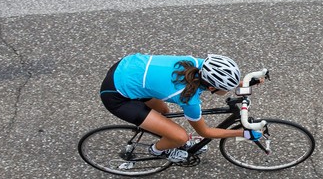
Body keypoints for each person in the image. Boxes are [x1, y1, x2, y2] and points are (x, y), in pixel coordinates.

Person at [99, 53, 263, 163]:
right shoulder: (188, 98)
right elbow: (205, 132)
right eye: (226, 88)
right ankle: (158, 151)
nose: (227, 90)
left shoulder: (195, 64)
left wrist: (245, 84)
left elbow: (218, 80)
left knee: (164, 112)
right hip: (116, 97)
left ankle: (165, 138)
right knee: (180, 137)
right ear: (211, 88)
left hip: (125, 68)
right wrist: (243, 133)